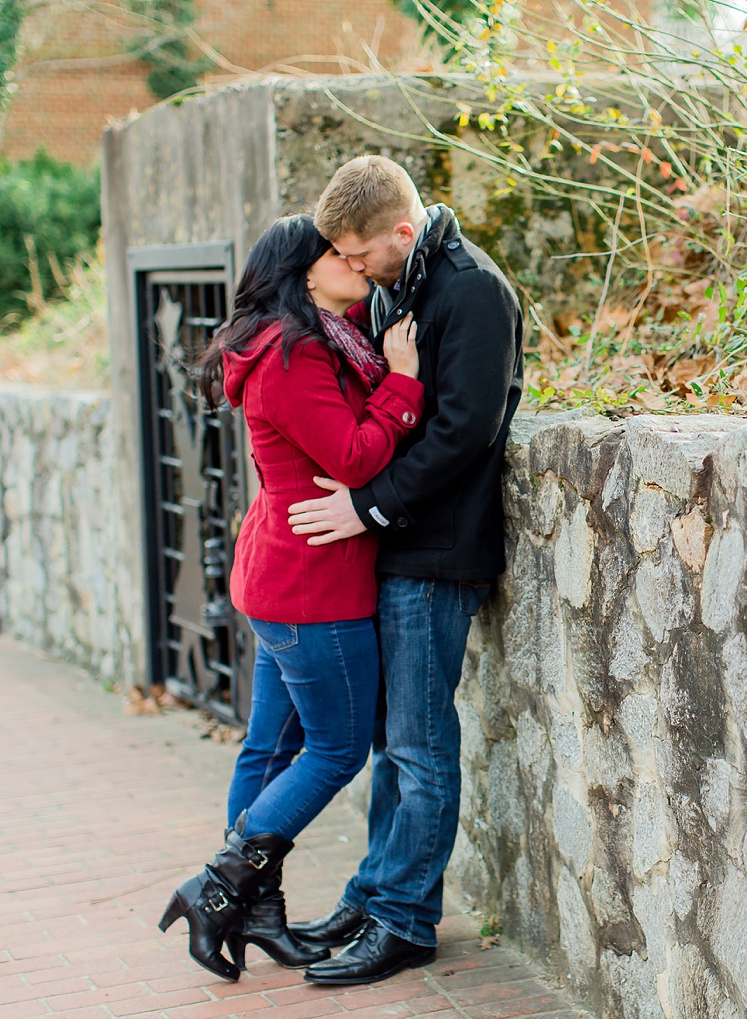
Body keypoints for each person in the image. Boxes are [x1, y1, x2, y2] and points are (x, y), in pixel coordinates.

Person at [157, 214, 424, 982]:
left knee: (269, 749)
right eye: (335, 253)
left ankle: (255, 906)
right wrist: (403, 382)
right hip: (314, 583)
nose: (353, 260)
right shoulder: (294, 352)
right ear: (304, 273)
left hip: (284, 572)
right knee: (336, 749)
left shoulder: (303, 339)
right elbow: (354, 453)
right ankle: (218, 886)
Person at [282, 155, 524, 986]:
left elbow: (464, 431)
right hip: (398, 548)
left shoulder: (472, 290)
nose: (351, 271)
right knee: (394, 745)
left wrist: (365, 506)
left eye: (359, 255)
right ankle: (374, 893)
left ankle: (405, 920)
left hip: (436, 551)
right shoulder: (403, 280)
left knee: (420, 747)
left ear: (401, 230)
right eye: (341, 258)